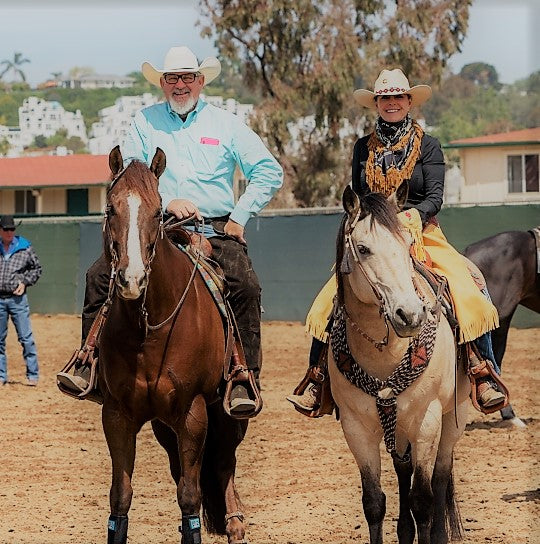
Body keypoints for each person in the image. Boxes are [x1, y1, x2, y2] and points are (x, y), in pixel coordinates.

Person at [57, 46, 283, 416]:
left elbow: (269, 171)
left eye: (188, 78)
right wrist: (172, 199)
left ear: (201, 81)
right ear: (162, 83)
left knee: (245, 284)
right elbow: (130, 173)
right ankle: (90, 364)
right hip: (156, 227)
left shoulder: (227, 124)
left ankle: (243, 377)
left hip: (213, 228)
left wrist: (239, 216)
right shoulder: (144, 122)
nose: (181, 85)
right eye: (173, 78)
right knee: (98, 276)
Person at [287, 68, 505, 413]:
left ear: (408, 102)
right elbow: (358, 195)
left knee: (470, 288)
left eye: (398, 98)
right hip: (373, 237)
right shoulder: (363, 147)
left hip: (421, 230)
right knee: (327, 301)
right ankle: (317, 378)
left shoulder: (429, 146)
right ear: (377, 103)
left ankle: (482, 372)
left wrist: (411, 216)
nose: (392, 103)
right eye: (385, 98)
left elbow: (435, 195)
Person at [0, 215, 42, 386]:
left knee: (26, 338)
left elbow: (37, 269)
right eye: (6, 229)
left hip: (17, 300)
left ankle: (33, 374)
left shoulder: (25, 247)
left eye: (12, 229)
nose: (9, 232)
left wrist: (25, 282)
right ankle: (1, 376)